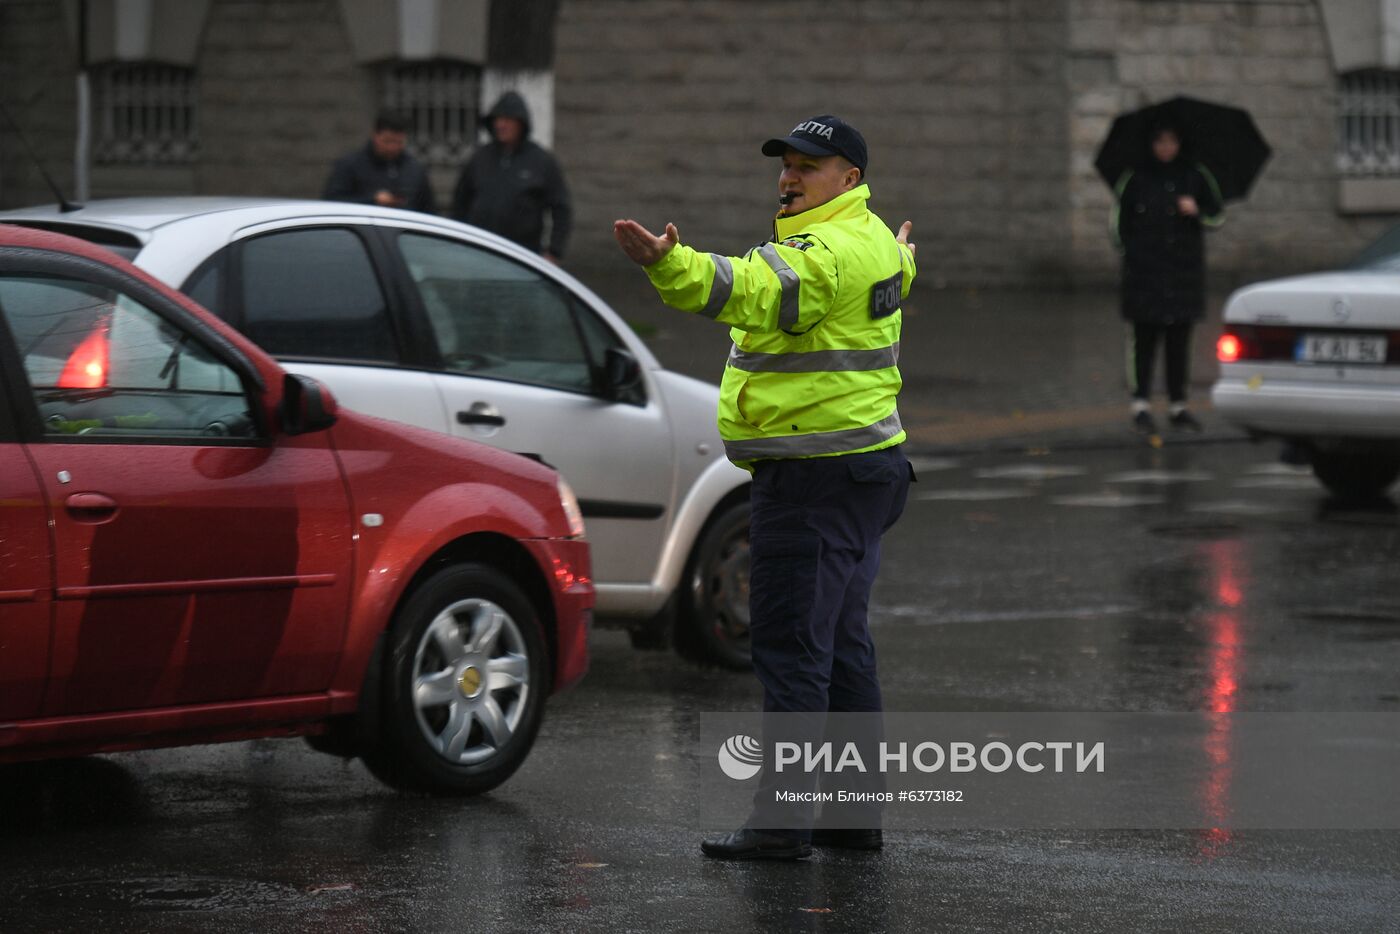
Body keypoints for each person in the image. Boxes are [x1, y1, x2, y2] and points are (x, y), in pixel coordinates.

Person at [614, 114, 916, 861]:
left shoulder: (820, 254)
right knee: (842, 649)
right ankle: (852, 820)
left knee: (790, 650)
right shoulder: (877, 241)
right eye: (785, 164)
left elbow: (748, 288)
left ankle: (781, 826)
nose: (789, 177)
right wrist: (905, 258)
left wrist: (668, 263)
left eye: (808, 166)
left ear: (848, 178)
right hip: (864, 472)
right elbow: (898, 271)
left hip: (812, 483)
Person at [1113, 122, 1224, 434]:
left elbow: (1218, 215)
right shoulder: (1135, 179)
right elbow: (1118, 226)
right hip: (1145, 276)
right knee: (1144, 342)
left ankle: (1179, 405)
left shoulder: (1194, 176)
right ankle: (1141, 403)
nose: (1166, 148)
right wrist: (1134, 257)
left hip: (1182, 276)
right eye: (1160, 141)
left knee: (1179, 344)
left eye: (1171, 141)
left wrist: (1197, 210)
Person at [451, 91, 572, 262]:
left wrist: (554, 251)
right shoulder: (479, 158)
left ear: (521, 123)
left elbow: (561, 209)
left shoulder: (541, 161)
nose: (501, 125)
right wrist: (458, 241)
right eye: (497, 119)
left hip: (522, 258)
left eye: (507, 120)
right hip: (478, 254)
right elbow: (460, 202)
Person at [322, 110, 434, 214]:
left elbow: (428, 208)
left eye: (398, 142)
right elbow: (332, 202)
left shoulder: (414, 169)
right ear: (375, 135)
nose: (392, 147)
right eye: (387, 141)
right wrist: (372, 200)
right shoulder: (350, 165)